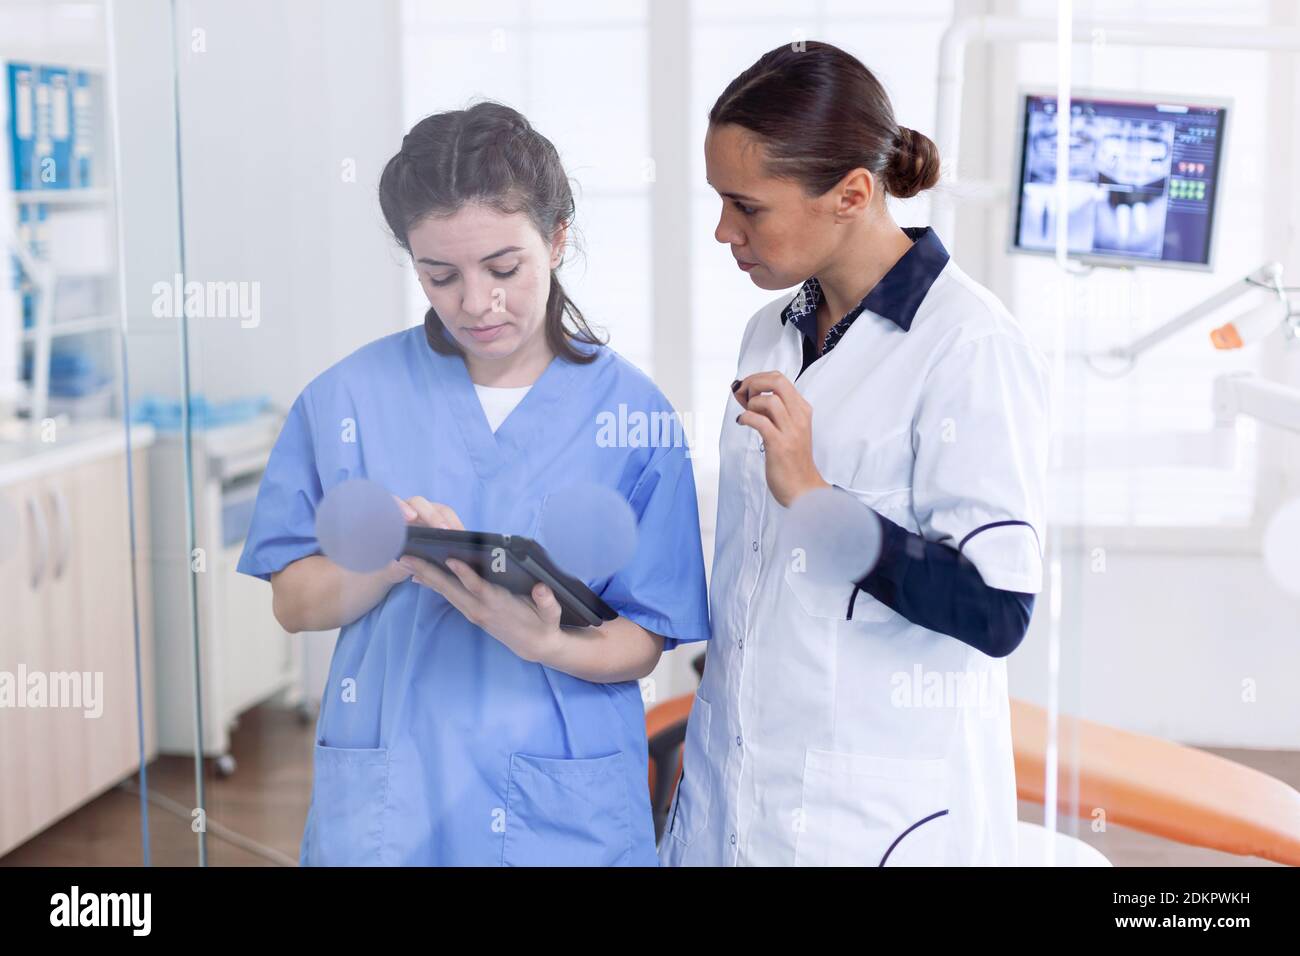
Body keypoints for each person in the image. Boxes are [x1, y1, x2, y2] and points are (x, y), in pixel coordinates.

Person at [238, 102, 710, 866]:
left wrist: (546, 642)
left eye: (503, 268)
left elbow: (646, 638)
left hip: (562, 802)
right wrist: (397, 554)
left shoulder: (635, 416)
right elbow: (293, 602)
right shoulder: (346, 400)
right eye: (440, 275)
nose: (475, 302)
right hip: (398, 795)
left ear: (557, 241)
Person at [661, 42, 1049, 866]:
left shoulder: (968, 346)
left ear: (852, 194)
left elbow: (998, 611)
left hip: (874, 816)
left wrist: (817, 500)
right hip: (735, 789)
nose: (723, 231)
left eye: (747, 206)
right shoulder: (769, 329)